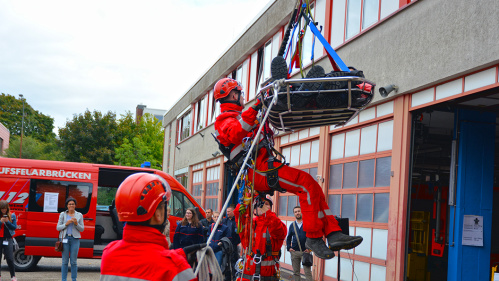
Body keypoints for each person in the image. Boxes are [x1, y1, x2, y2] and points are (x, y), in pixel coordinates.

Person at [213, 77, 363, 259]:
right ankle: (313, 237)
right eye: (240, 94)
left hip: (264, 166)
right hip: (257, 171)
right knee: (306, 184)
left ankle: (332, 232)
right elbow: (238, 132)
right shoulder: (224, 120)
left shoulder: (238, 116)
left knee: (313, 188)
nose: (243, 97)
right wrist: (257, 106)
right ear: (233, 95)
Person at [100, 173, 199, 281]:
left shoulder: (109, 253)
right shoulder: (176, 267)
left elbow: (143, 257)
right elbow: (156, 260)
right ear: (158, 214)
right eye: (164, 207)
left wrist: (179, 253)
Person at [233, 194, 287, 280]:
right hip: (247, 276)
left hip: (268, 276)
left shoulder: (277, 224)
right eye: (261, 204)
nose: (263, 207)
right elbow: (238, 214)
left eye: (266, 204)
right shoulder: (249, 225)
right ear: (255, 208)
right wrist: (248, 198)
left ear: (270, 208)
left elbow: (278, 230)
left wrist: (267, 213)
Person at [57, 197, 84, 281]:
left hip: (75, 239)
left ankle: (74, 279)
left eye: (73, 204)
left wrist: (76, 223)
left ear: (75, 205)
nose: (71, 205)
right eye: (69, 204)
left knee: (73, 262)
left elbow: (82, 229)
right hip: (65, 239)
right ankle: (64, 279)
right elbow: (58, 227)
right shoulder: (63, 214)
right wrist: (66, 223)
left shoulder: (79, 215)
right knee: (65, 262)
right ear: (67, 206)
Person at [287, 206, 313, 281]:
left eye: (298, 211)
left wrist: (310, 249)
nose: (297, 213)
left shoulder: (307, 223)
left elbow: (312, 237)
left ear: (301, 212)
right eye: (295, 212)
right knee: (296, 272)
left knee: (307, 272)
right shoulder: (292, 225)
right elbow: (288, 238)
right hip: (294, 252)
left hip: (306, 252)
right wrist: (289, 247)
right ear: (294, 214)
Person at [222, 205, 241, 280]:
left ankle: (234, 276)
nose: (227, 213)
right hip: (225, 245)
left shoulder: (236, 221)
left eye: (229, 211)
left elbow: (239, 233)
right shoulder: (224, 221)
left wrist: (236, 243)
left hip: (233, 244)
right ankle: (227, 277)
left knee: (234, 261)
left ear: (233, 211)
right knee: (225, 261)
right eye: (227, 212)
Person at [0, 200, 17, 281]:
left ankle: (13, 276)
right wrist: (0, 222)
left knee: (10, 258)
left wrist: (7, 222)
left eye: (5, 209)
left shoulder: (12, 215)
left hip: (8, 239)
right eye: (2, 209)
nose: (3, 210)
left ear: (7, 208)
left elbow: (14, 227)